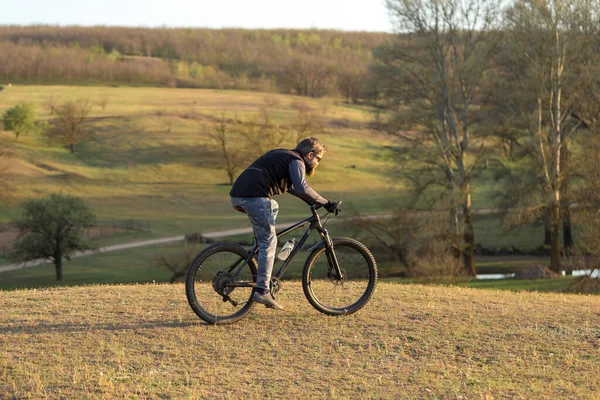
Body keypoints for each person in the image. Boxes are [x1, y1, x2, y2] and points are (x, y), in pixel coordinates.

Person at [229, 137, 339, 310]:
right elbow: (302, 187)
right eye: (319, 159)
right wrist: (326, 202)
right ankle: (262, 290)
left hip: (238, 195)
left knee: (273, 206)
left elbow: (291, 187)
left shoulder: (284, 154)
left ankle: (261, 253)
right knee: (270, 241)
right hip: (254, 197)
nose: (318, 163)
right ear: (310, 155)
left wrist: (313, 202)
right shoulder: (297, 161)